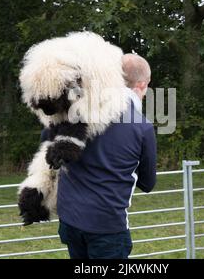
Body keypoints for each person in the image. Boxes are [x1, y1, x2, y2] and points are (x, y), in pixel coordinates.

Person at [40, 53, 156, 259]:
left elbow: (46, 139)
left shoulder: (78, 109)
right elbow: (147, 183)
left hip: (70, 219)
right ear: (141, 84)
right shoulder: (142, 126)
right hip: (107, 225)